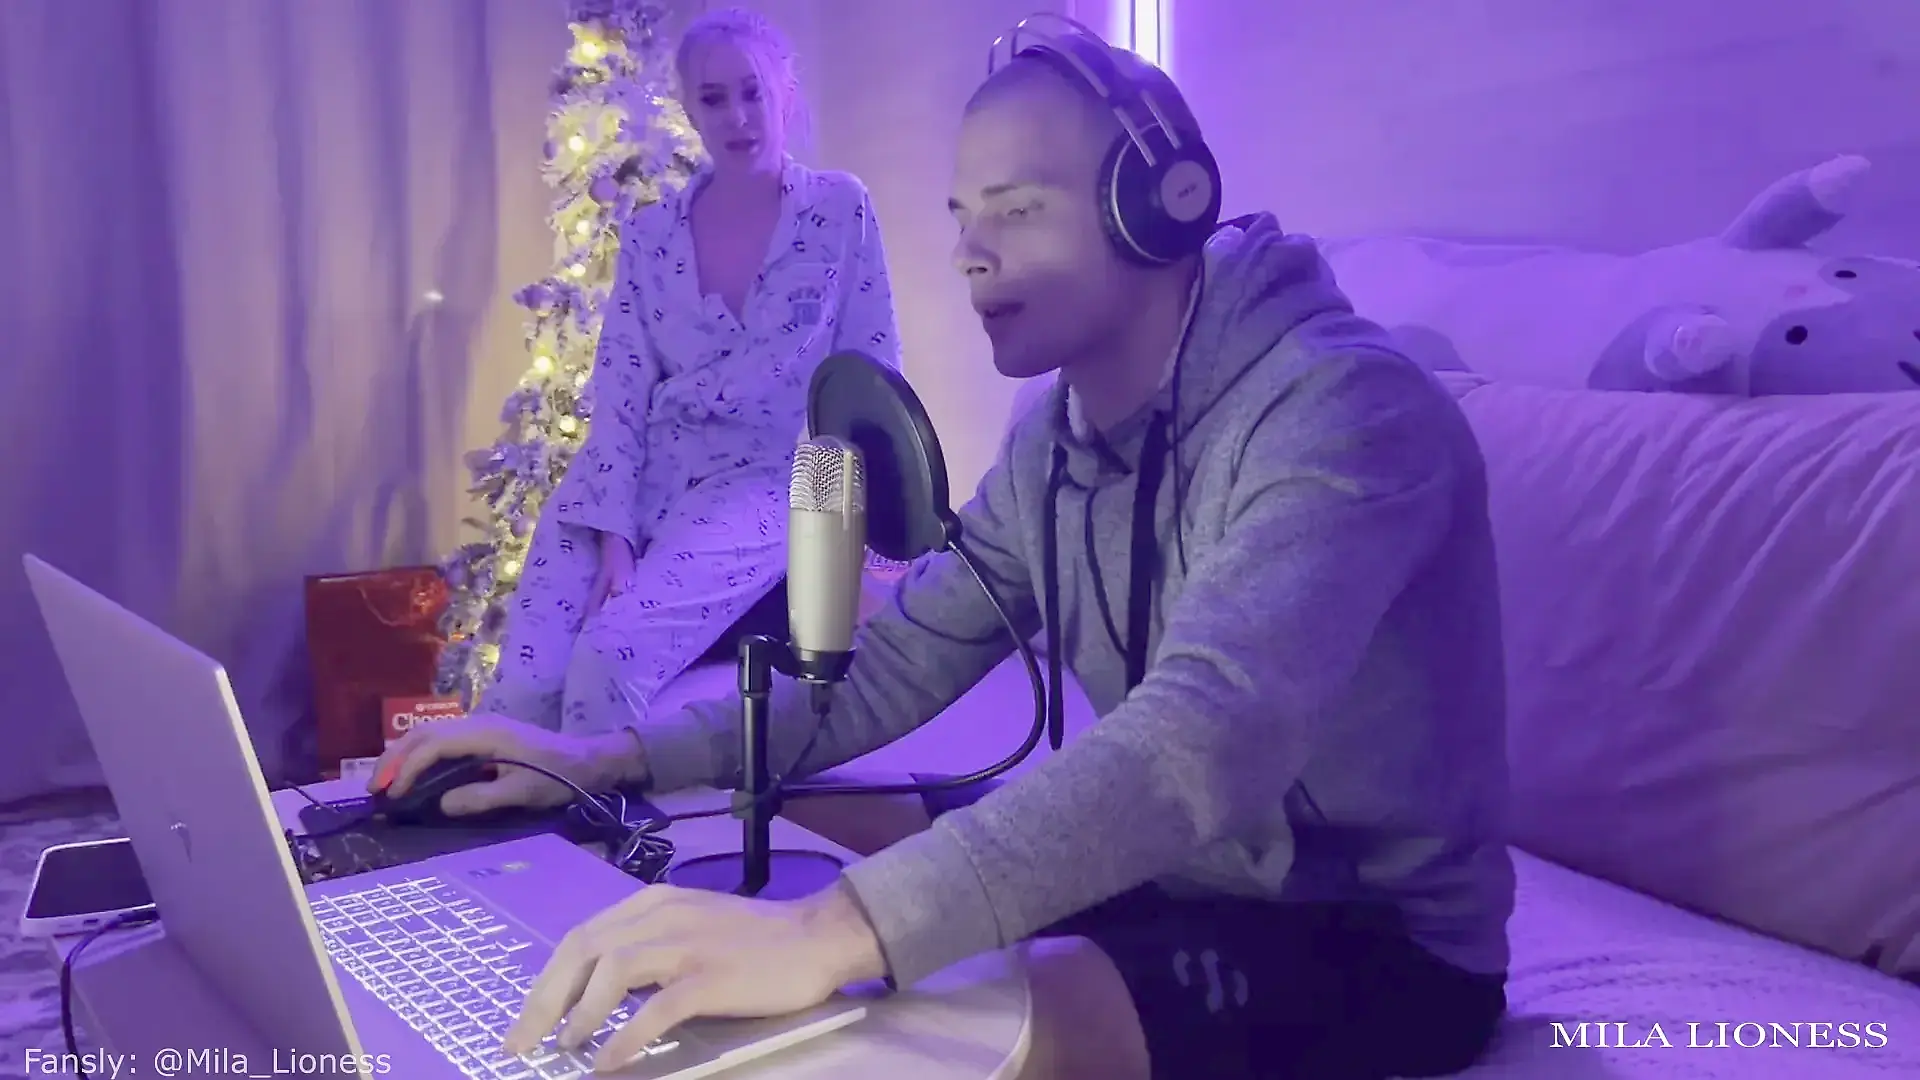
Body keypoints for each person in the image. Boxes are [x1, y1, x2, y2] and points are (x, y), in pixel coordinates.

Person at [374, 17, 1514, 1080]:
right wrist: (605, 757)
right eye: (965, 216)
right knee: (816, 827)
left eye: (1016, 211)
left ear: (1157, 208)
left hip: (1374, 937)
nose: (970, 252)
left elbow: (1200, 744)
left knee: (903, 1020)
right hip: (1178, 866)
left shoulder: (1344, 413)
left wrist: (828, 934)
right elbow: (894, 667)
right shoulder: (1055, 436)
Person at [481, 6, 901, 736]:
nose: (736, 116)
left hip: (762, 484)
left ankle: (607, 815)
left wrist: (858, 542)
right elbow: (621, 392)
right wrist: (616, 537)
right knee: (522, 689)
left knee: (606, 667)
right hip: (625, 483)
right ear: (690, 108)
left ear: (784, 93)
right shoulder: (651, 235)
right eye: (713, 98)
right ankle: (510, 809)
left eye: (751, 92)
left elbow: (873, 374)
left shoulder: (839, 210)